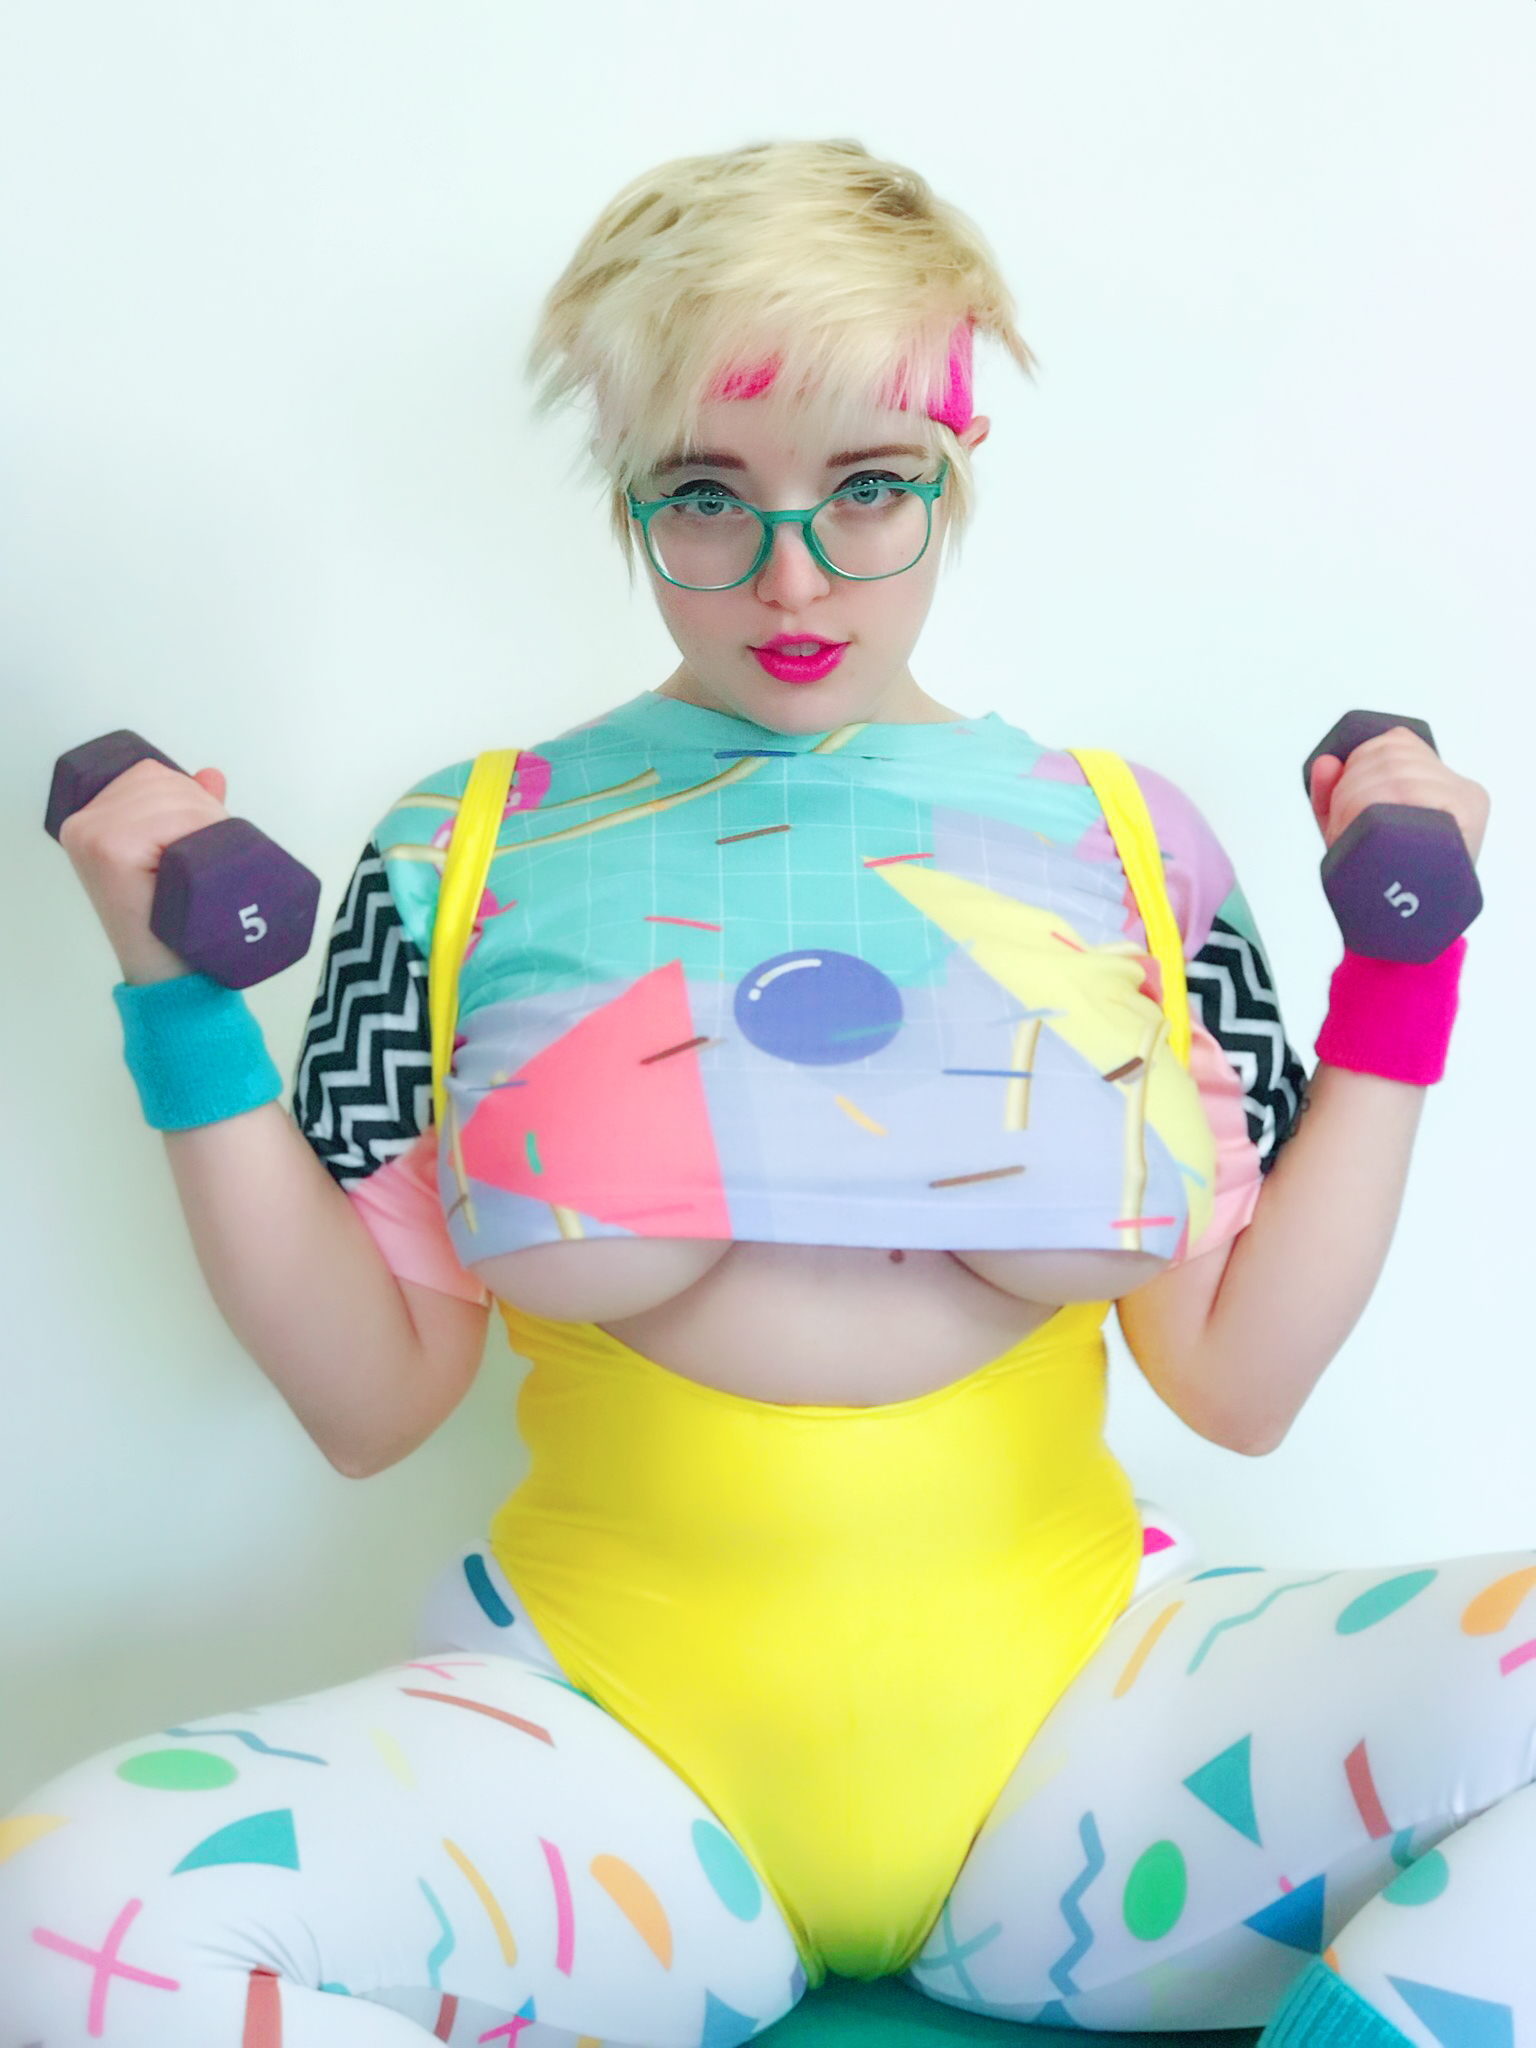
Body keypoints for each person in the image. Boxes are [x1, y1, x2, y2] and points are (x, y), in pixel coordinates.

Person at [2, 139, 1519, 2048]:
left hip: (1094, 1748)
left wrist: (1406, 971)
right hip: (605, 1770)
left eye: (869, 488)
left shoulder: (1131, 849)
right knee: (58, 1919)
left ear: (957, 465)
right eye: (707, 499)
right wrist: (176, 1002)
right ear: (625, 486)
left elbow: (1244, 1380)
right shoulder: (463, 854)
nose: (792, 577)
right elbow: (371, 1404)